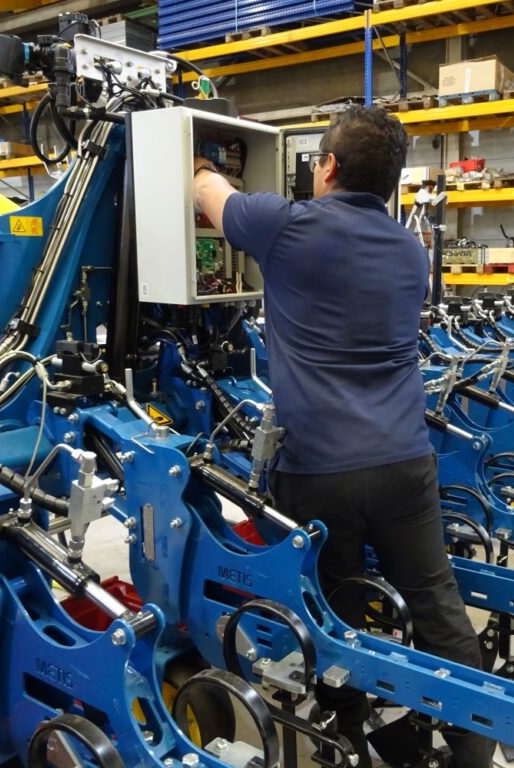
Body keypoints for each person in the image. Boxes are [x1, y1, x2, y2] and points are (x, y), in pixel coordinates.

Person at [192, 106, 495, 768]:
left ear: (326, 167)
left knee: (335, 608)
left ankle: (349, 735)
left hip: (319, 469)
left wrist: (200, 164)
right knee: (437, 604)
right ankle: (475, 749)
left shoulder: (286, 227)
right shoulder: (411, 252)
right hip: (405, 461)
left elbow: (212, 199)